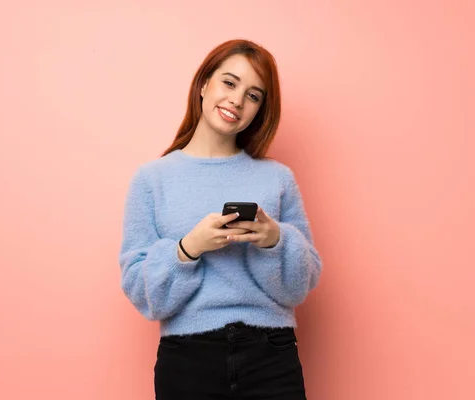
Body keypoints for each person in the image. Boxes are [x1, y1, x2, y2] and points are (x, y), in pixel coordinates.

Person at [118, 39, 322, 400]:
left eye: (254, 95)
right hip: (187, 358)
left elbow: (299, 288)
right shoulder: (151, 180)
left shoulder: (278, 179)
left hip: (271, 354)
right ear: (203, 84)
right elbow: (142, 294)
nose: (237, 100)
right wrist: (187, 249)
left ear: (260, 109)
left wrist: (275, 240)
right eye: (229, 83)